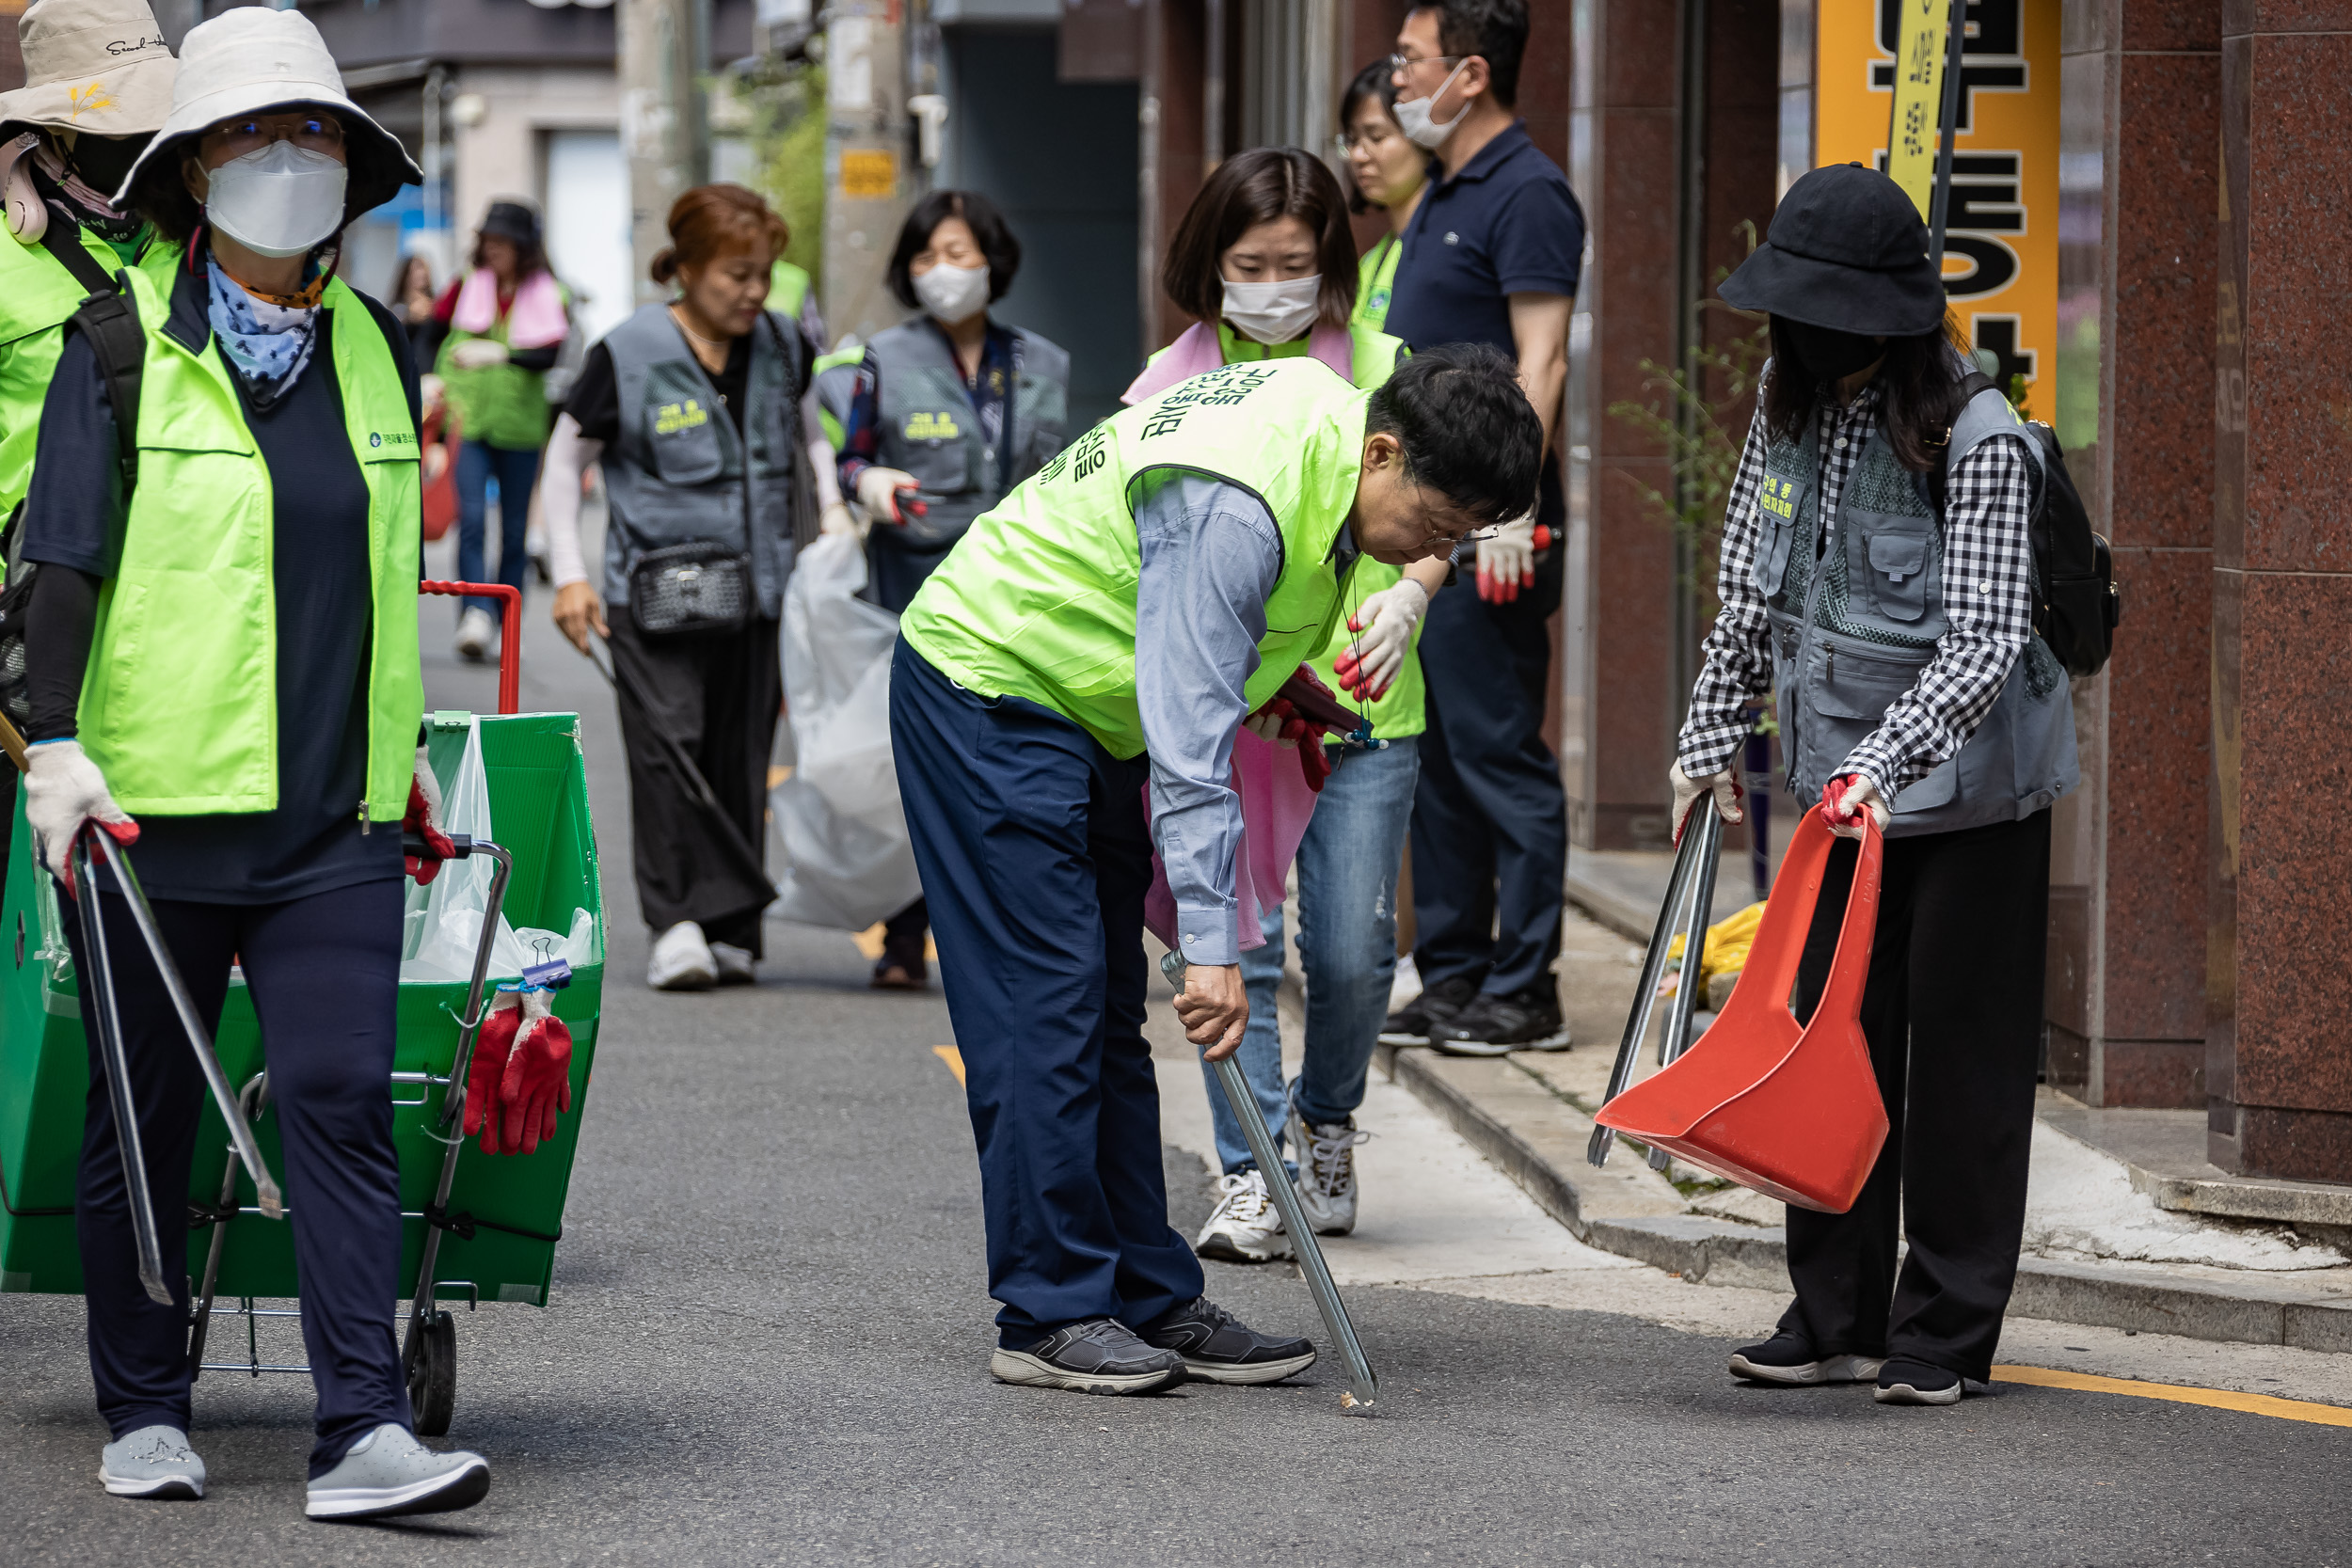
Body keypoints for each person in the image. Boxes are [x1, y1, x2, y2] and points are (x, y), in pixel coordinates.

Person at [18, 6, 489, 1515]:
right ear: (189, 172)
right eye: (246, 136)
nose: (283, 162)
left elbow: (374, 574)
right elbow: (64, 561)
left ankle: (360, 1429)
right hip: (148, 812)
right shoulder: (115, 346)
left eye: (311, 138)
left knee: (343, 1091)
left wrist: (399, 745)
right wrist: (60, 748)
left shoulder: (377, 342)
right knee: (145, 1114)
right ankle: (145, 1402)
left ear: (350, 174)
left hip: (333, 810)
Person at [891, 344, 1542, 1395]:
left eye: (1458, 542)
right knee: (1042, 1005)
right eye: (1432, 527)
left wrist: (1273, 681)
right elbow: (1191, 745)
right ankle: (1047, 1309)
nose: (1433, 551)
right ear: (1382, 450)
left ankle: (1145, 1291)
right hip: (992, 682)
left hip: (1087, 707)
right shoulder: (1242, 501)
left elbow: (1220, 642)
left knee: (1098, 1013)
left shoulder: (1335, 437)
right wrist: (1212, 946)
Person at [1676, 163, 2072, 1408]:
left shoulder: (1980, 434)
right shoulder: (1785, 400)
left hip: (1970, 794)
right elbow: (1749, 582)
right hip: (1842, 790)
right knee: (1824, 1042)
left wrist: (1876, 767)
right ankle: (1833, 1312)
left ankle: (1944, 1330)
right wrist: (1709, 740)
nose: (1797, 333)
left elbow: (1986, 642)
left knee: (1961, 1063)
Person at [1122, 141, 1442, 1265]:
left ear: (1330, 262)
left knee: (1352, 955)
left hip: (1364, 704)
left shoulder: (1384, 363)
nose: (1272, 283)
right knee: (1238, 947)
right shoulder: (1171, 383)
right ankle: (1254, 1170)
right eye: (1248, 262)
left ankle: (1327, 1116)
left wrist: (1411, 588)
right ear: (1210, 265)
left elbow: (1456, 504)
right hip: (1245, 716)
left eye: (1294, 261)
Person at [1375, 0, 1587, 1056]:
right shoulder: (1446, 188)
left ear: (1469, 73)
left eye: (1409, 61)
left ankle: (1525, 986)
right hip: (1430, 518)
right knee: (1441, 752)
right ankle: (1454, 973)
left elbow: (1541, 360)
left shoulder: (1530, 193)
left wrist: (1509, 506)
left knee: (1497, 748)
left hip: (1487, 526)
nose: (1395, 77)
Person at [542, 184, 810, 992]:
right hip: (654, 594)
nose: (754, 292)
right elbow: (564, 464)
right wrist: (570, 576)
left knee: (742, 754)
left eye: (763, 274)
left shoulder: (783, 343)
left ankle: (733, 929)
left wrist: (830, 531)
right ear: (687, 269)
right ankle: (676, 923)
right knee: (669, 753)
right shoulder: (626, 352)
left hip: (759, 590)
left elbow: (806, 444)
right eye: (736, 274)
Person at [834, 190, 1069, 990]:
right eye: (927, 257)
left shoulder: (1041, 361)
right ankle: (905, 937)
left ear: (992, 261)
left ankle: (997, 934)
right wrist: (870, 484)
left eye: (959, 254)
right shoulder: (885, 357)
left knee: (1003, 763)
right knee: (918, 764)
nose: (944, 271)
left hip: (1016, 592)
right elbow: (848, 457)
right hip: (912, 583)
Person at [0, 0, 183, 865]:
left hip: (175, 605)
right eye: (119, 119)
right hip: (27, 624)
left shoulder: (195, 247)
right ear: (57, 132)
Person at [427, 199, 569, 663]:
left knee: (513, 534)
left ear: (524, 248)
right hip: (468, 422)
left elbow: (549, 355)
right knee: (471, 520)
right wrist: (429, 377)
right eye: (488, 241)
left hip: (521, 429)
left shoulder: (549, 293)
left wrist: (498, 354)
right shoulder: (466, 285)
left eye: (503, 243)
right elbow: (430, 330)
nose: (493, 250)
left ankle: (506, 623)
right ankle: (475, 615)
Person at [1337, 57, 1434, 337]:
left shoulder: (1445, 252)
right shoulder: (1371, 261)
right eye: (1352, 140)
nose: (1358, 155)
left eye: (1376, 137)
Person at [388, 250, 437, 363]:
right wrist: (410, 316)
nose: (421, 274)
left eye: (423, 269)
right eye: (416, 269)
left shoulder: (435, 305)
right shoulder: (398, 308)